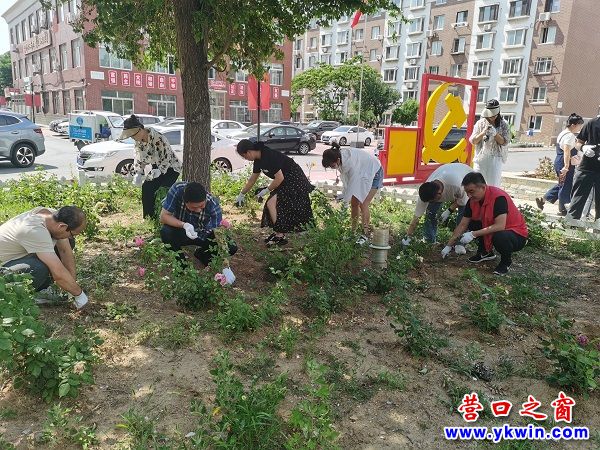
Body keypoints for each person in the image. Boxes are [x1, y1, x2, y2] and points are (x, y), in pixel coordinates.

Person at [0, 206, 89, 308]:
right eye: (72, 234)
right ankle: (25, 295)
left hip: (17, 258)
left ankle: (44, 287)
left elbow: (65, 251)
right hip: (3, 270)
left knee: (68, 243)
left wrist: (71, 288)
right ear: (62, 226)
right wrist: (79, 295)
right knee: (39, 267)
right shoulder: (34, 230)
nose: (70, 237)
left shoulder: (52, 217)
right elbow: (57, 271)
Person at [442, 172, 528, 276]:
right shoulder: (472, 201)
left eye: (471, 191)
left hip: (516, 235)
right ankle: (485, 252)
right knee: (473, 223)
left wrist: (473, 234)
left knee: (500, 236)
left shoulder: (498, 198)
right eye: (467, 192)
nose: (469, 195)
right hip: (494, 228)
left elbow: (500, 226)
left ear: (483, 187)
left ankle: (505, 262)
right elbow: (463, 225)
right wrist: (449, 245)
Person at [235, 139, 315, 245]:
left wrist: (267, 190)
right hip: (284, 180)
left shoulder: (268, 156)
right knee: (272, 203)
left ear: (249, 152)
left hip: (294, 178)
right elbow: (252, 180)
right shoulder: (258, 160)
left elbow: (279, 178)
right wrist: (242, 194)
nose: (246, 159)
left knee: (271, 202)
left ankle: (280, 235)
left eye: (244, 156)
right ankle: (279, 232)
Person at [159, 181, 237, 270]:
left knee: (231, 247)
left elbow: (218, 232)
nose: (199, 210)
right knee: (166, 232)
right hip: (181, 231)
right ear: (185, 201)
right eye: (194, 207)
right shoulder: (177, 189)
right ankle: (181, 267)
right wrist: (184, 225)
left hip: (203, 233)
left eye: (202, 206)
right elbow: (163, 217)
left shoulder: (213, 204)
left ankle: (202, 254)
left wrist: (225, 263)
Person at [120, 115, 182, 219]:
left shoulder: (159, 138)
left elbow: (166, 157)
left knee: (163, 191)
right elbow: (139, 156)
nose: (133, 138)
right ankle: (149, 217)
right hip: (155, 167)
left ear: (140, 130)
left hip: (171, 167)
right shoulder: (139, 142)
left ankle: (166, 217)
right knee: (147, 188)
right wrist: (139, 172)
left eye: (133, 135)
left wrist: (160, 170)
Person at [321, 142, 383, 243]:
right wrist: (344, 195)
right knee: (354, 203)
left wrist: (344, 204)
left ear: (338, 160)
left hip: (375, 171)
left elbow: (352, 185)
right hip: (362, 172)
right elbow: (347, 182)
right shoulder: (340, 157)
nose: (332, 168)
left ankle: (365, 234)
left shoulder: (351, 163)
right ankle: (353, 232)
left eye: (332, 166)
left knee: (363, 203)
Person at [402, 163, 472, 244]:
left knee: (463, 215)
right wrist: (408, 236)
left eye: (432, 201)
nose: (431, 203)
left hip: (467, 175)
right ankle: (429, 241)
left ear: (439, 194)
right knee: (430, 213)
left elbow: (463, 200)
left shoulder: (456, 185)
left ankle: (459, 243)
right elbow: (416, 218)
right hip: (445, 171)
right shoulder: (427, 190)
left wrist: (449, 210)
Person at [536, 113, 584, 215]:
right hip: (564, 162)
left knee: (562, 184)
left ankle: (543, 199)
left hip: (560, 160)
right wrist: (566, 166)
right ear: (573, 125)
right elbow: (567, 151)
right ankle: (563, 209)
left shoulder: (563, 133)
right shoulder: (569, 136)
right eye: (579, 125)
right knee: (565, 186)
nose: (580, 128)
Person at [469, 99, 510, 187]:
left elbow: (504, 142)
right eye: (490, 115)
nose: (492, 117)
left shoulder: (504, 124)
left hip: (495, 158)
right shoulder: (480, 123)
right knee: (477, 184)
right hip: (480, 158)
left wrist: (495, 134)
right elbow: (473, 141)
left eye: (494, 115)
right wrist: (483, 133)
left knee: (493, 185)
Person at [567, 115, 600, 220]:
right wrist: (583, 147)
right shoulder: (592, 123)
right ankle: (571, 225)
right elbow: (578, 142)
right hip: (587, 167)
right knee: (577, 200)